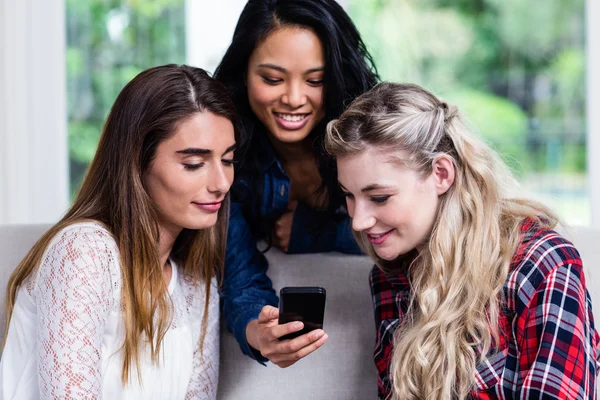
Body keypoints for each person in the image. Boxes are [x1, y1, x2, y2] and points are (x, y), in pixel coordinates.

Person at [325, 82, 600, 399]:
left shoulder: (541, 265)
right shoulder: (390, 274)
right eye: (349, 196)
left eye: (380, 197)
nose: (359, 221)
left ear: (441, 174)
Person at [0, 65, 238, 399]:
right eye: (194, 164)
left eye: (227, 160)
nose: (221, 183)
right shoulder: (82, 251)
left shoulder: (196, 280)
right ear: (137, 161)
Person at [213, 0, 378, 367]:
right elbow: (238, 274)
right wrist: (260, 332)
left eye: (316, 80)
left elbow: (418, 227)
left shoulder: (370, 134)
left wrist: (315, 233)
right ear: (244, 73)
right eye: (272, 79)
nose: (293, 98)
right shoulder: (225, 154)